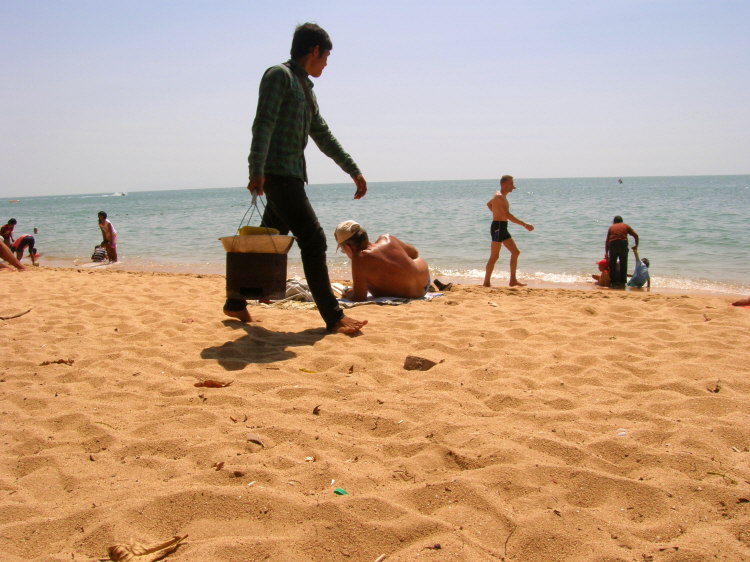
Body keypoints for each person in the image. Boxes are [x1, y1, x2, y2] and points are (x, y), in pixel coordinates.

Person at [226, 23, 368, 334]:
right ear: (314, 50)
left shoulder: (305, 88)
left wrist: (352, 169)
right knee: (314, 240)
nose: (327, 64)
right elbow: (262, 122)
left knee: (266, 243)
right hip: (279, 175)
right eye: (326, 56)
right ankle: (333, 316)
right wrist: (256, 169)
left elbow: (323, 135)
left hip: (292, 175)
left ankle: (235, 303)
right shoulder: (279, 76)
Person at [334, 220, 431, 301]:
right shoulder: (387, 238)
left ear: (348, 248)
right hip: (424, 283)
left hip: (411, 295)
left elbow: (359, 297)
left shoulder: (359, 257)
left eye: (343, 250)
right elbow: (414, 253)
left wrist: (347, 293)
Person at [483, 175, 534, 287]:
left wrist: (496, 213)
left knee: (515, 252)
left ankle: (513, 280)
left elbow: (489, 204)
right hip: (498, 228)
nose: (513, 186)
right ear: (504, 184)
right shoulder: (499, 197)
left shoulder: (500, 196)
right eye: (511, 183)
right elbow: (508, 215)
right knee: (495, 256)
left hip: (502, 227)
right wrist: (524, 224)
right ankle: (486, 282)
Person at [605, 215, 638, 287]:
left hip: (612, 244)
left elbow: (607, 241)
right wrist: (636, 245)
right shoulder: (626, 226)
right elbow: (636, 235)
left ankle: (613, 282)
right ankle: (622, 282)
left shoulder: (611, 227)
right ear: (622, 221)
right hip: (623, 244)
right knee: (623, 263)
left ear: (614, 222)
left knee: (612, 264)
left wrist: (606, 253)